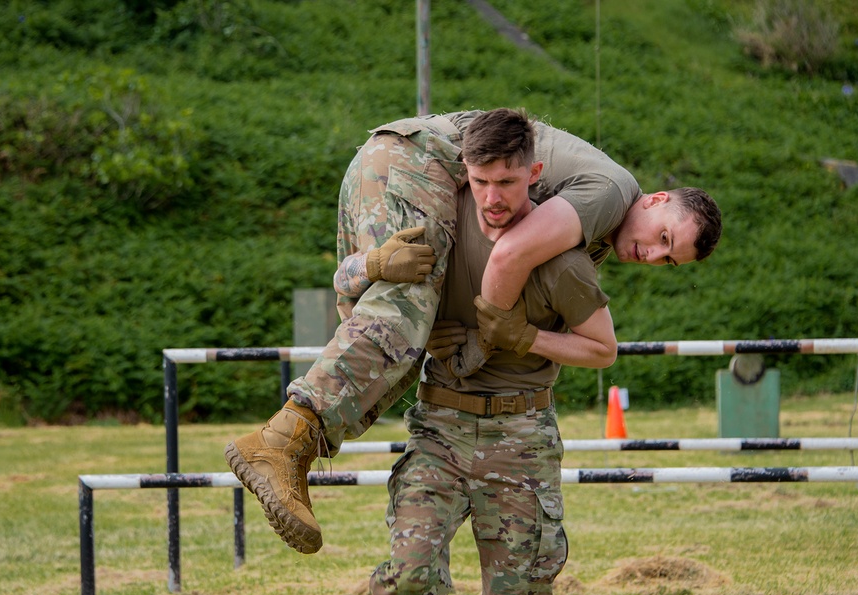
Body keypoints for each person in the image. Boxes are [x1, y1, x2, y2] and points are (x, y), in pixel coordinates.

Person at [225, 108, 722, 554]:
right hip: (416, 160)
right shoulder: (612, 195)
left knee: (405, 324)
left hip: (395, 156)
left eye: (667, 259)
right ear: (656, 200)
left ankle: (295, 446)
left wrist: (449, 325)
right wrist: (480, 346)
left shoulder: (600, 225)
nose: (652, 254)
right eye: (663, 237)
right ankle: (284, 440)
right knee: (405, 303)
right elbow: (511, 254)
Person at [369, 108, 615, 595]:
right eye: (480, 181)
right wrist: (419, 325)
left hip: (521, 436)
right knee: (403, 586)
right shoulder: (439, 225)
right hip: (440, 431)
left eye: (507, 181)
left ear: (535, 172)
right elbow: (358, 284)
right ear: (463, 173)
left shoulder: (562, 260)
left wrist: (527, 338)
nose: (493, 197)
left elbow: (603, 348)